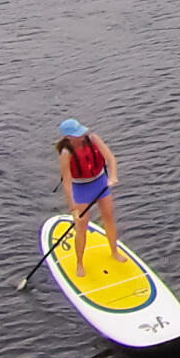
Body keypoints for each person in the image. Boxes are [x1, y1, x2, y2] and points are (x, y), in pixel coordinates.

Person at [55, 118, 123, 275]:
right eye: (77, 135)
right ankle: (80, 263)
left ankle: (114, 251)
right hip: (81, 188)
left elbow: (111, 159)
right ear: (68, 138)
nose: (81, 136)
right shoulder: (66, 154)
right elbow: (67, 183)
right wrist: (73, 209)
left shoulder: (93, 139)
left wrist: (112, 176)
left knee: (109, 218)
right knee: (81, 226)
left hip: (100, 183)